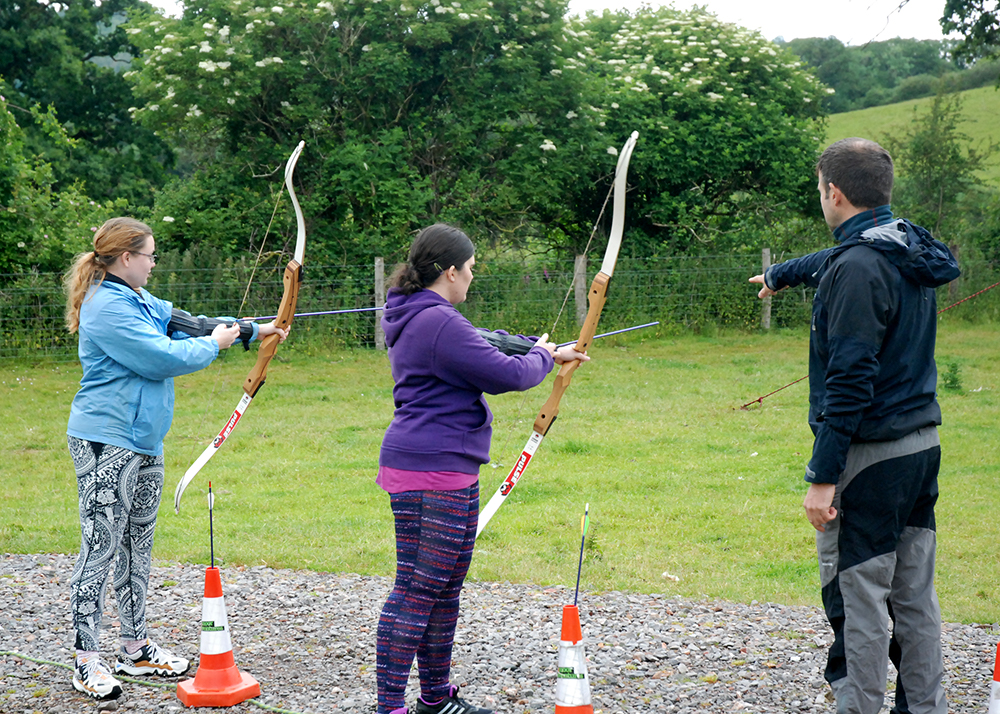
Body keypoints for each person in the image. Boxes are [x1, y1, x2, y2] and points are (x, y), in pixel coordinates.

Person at [749, 138, 960, 714]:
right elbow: (836, 257)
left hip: (870, 458)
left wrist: (822, 477)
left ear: (834, 193)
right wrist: (779, 274)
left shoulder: (859, 268)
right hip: (921, 447)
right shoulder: (903, 243)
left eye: (821, 189)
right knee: (913, 594)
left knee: (859, 595)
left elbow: (848, 383)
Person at [63, 217, 288, 701]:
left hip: (144, 440)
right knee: (101, 547)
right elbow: (160, 356)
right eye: (150, 256)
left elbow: (190, 324)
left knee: (136, 546)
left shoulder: (140, 299)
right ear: (126, 258)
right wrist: (214, 346)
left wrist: (257, 329)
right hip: (105, 441)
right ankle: (85, 660)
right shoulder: (106, 306)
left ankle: (134, 648)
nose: (153, 264)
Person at [375, 223, 588, 714]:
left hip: (448, 467)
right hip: (430, 471)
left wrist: (543, 349)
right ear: (450, 272)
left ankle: (434, 698)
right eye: (470, 268)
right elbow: (505, 373)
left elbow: (486, 344)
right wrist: (541, 356)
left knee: (443, 590)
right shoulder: (436, 320)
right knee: (417, 590)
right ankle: (390, 707)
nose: (473, 277)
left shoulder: (425, 313)